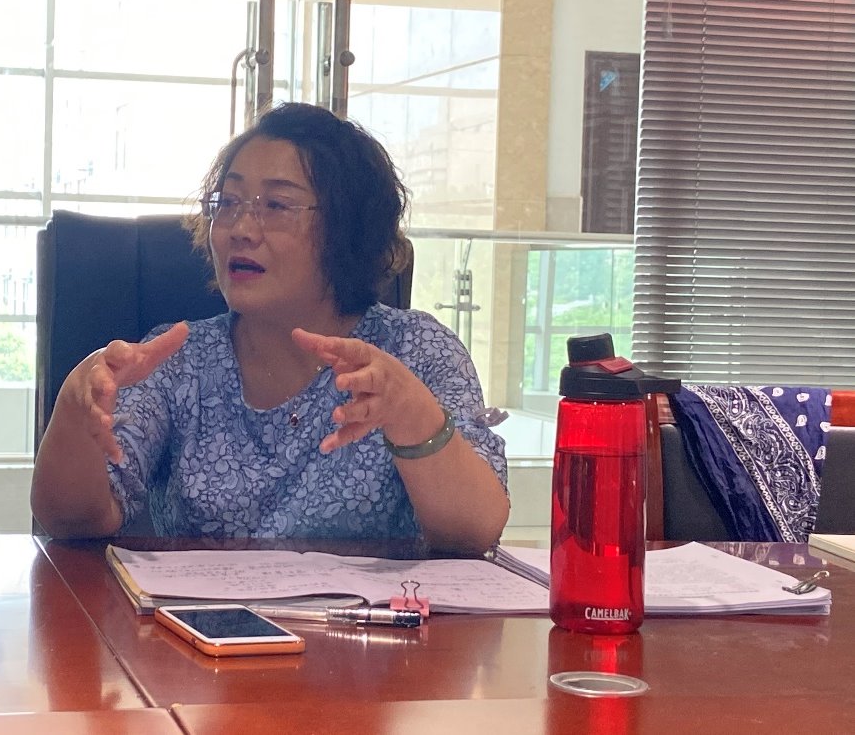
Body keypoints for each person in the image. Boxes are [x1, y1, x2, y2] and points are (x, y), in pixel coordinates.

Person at [31, 102, 510, 553]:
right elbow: (73, 520)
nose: (240, 228)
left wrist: (412, 415)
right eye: (228, 202)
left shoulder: (418, 350)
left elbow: (475, 532)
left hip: (378, 616)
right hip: (202, 616)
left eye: (277, 205)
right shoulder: (176, 358)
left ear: (348, 229)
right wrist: (74, 408)